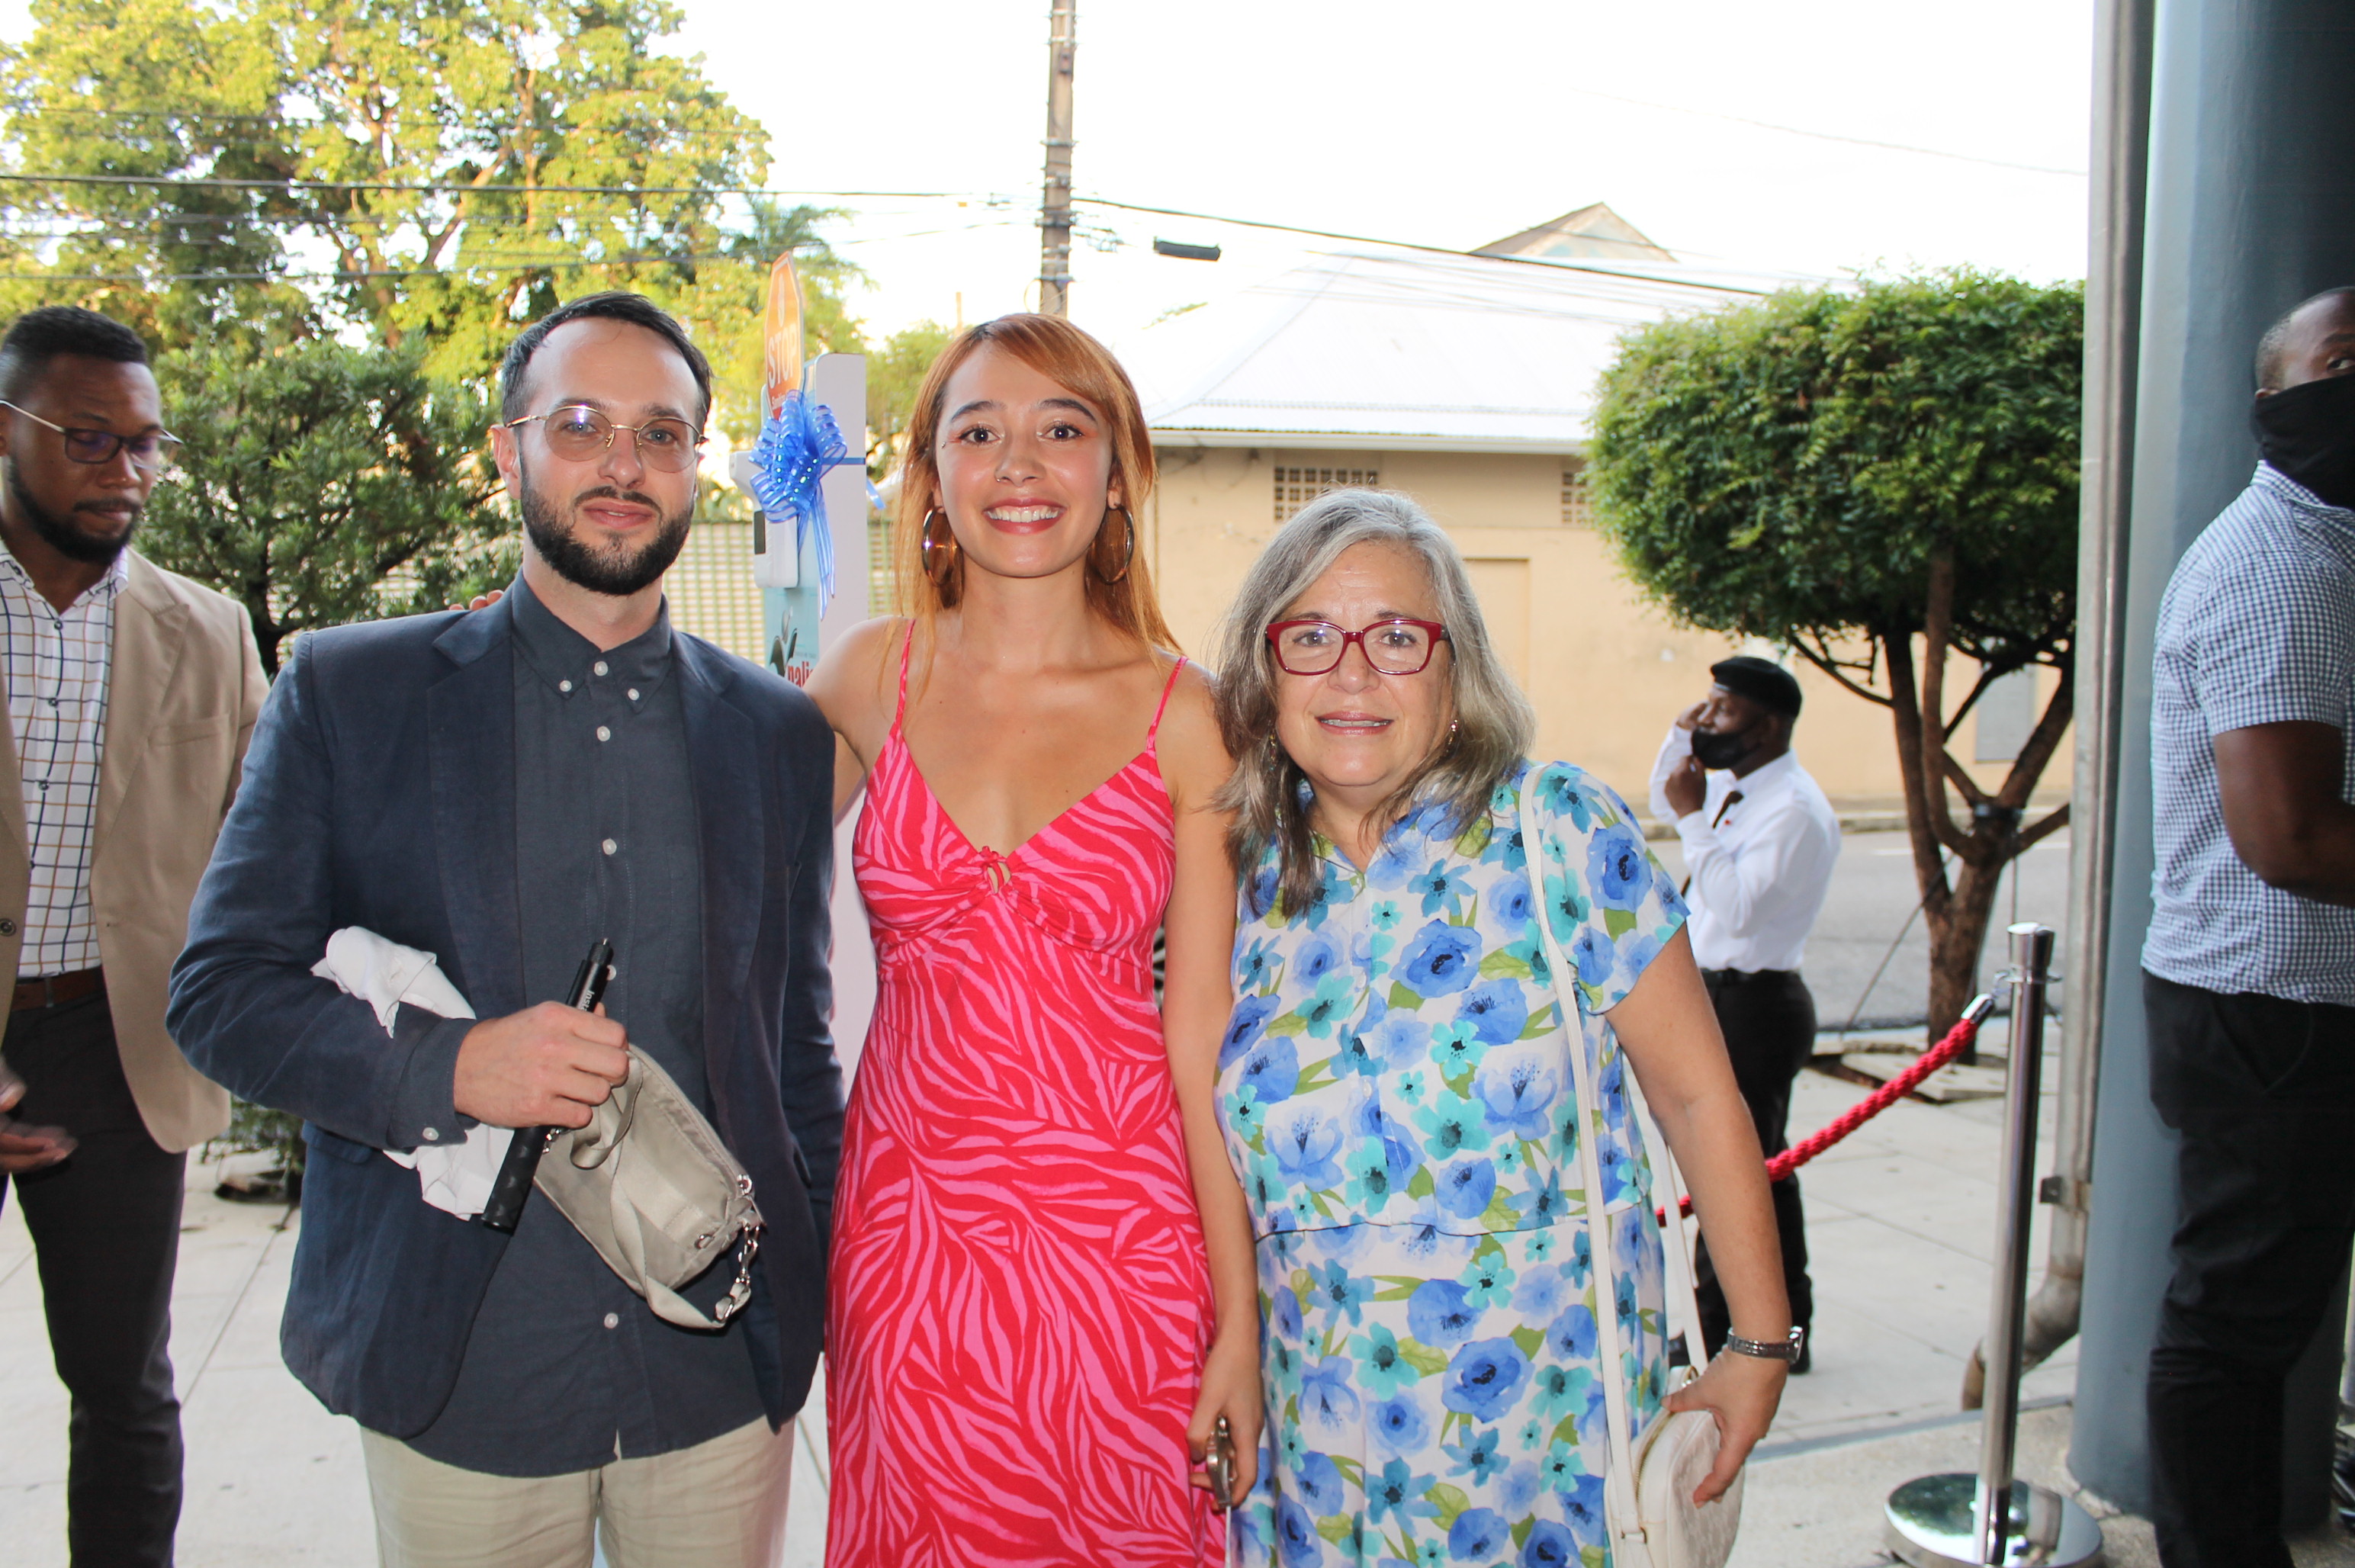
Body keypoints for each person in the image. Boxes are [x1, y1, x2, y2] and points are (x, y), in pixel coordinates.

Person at [166, 292, 843, 1568]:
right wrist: (447, 1069)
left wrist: (809, 1304)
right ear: (507, 453)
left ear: (697, 461)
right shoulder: (352, 692)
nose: (623, 463)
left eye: (661, 431)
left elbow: (789, 1045)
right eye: (580, 423)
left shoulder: (772, 732)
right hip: (460, 1363)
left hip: (710, 1371)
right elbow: (219, 991)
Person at [1210, 489, 1792, 1566]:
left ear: (1456, 670)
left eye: (1396, 636)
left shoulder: (1558, 828)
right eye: (1310, 637)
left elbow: (1700, 1095)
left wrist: (1759, 1339)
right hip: (1319, 1460)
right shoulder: (1233, 881)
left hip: (1549, 1451)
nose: (1352, 673)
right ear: (1263, 671)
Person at [805, 313, 1258, 1565]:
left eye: (1063, 429)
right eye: (980, 430)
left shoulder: (1185, 717)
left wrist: (1237, 1319)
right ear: (932, 476)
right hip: (908, 1249)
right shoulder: (864, 680)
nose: (1021, 462)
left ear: (1115, 476)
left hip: (1126, 1252)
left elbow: (1200, 1030)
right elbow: (711, 887)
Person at [0, 304, 265, 1568]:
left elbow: (272, 841)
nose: (128, 473)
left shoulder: (205, 632)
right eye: (89, 439)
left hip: (114, 1055)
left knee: (125, 1391)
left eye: (148, 446)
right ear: (5, 428)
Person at [2141, 284, 2355, 1568]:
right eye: (2343, 358)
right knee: (2229, 1335)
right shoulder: (2274, 568)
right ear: (2274, 400)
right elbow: (2292, 839)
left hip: (2304, 1010)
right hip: (2267, 1016)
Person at [1646, 657, 1838, 1370]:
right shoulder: (1740, 786)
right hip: (1719, 994)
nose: (1709, 721)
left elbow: (1736, 905)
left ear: (1770, 725)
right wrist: (1680, 735)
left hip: (1757, 1003)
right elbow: (1666, 798)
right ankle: (1754, 1321)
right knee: (1748, 1170)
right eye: (1707, 706)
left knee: (1749, 1173)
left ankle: (1753, 1325)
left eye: (1723, 711)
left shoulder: (1792, 809)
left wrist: (1696, 817)